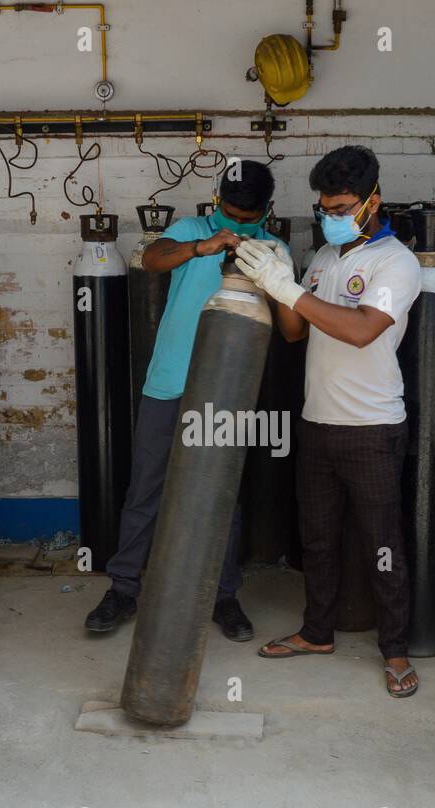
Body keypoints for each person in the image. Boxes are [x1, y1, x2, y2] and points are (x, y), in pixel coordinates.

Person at [234, 145, 423, 698]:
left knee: (381, 543)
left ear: (372, 202)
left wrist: (289, 289)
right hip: (317, 421)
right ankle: (317, 632)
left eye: (341, 206)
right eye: (324, 208)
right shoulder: (322, 260)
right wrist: (274, 280)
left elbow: (364, 330)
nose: (331, 216)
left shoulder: (396, 262)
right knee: (316, 540)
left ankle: (395, 651)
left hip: (372, 427)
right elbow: (296, 332)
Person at [84, 159, 289, 641]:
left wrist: (274, 272)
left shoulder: (275, 248)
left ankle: (223, 595)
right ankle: (124, 588)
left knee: (222, 493)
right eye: (232, 213)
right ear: (218, 202)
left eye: (248, 216)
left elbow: (286, 322)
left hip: (229, 392)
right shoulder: (190, 230)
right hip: (170, 383)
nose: (238, 223)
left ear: (266, 210)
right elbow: (153, 259)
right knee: (146, 490)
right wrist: (204, 246)